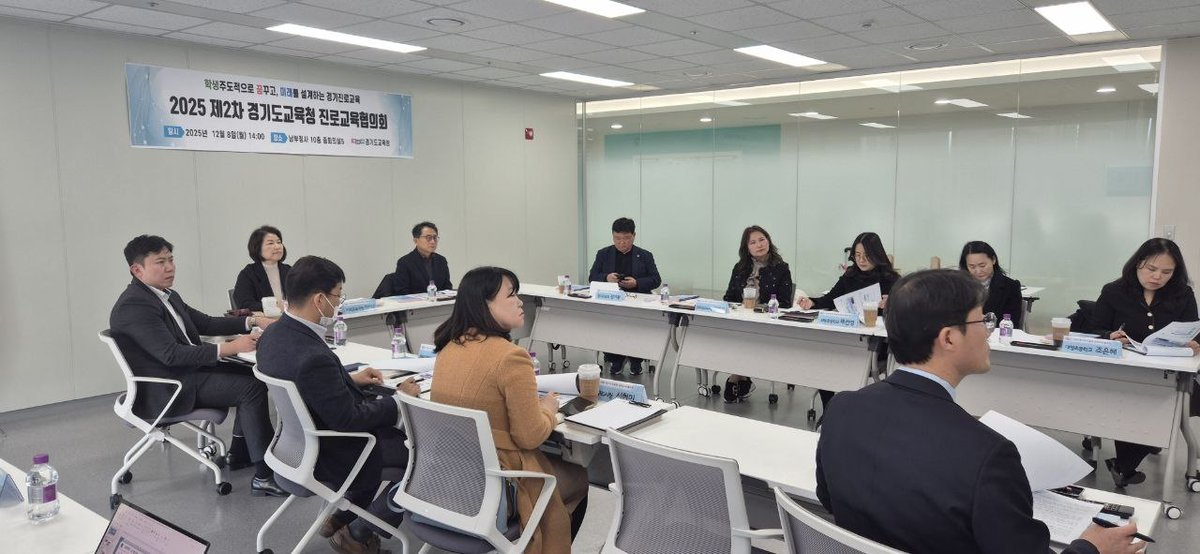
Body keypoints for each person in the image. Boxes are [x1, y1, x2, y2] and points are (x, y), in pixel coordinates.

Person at [816, 269, 1145, 554]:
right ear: (949, 338)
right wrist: (1092, 547)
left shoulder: (843, 408)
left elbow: (829, 499)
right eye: (982, 319)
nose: (989, 330)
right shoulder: (988, 454)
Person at [256, 255, 421, 554]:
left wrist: (349, 379)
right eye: (338, 296)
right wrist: (399, 401)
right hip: (333, 453)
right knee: (418, 456)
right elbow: (350, 419)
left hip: (293, 447)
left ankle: (342, 517)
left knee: (387, 431)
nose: (339, 303)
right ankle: (359, 532)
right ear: (319, 300)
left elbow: (303, 381)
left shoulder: (274, 335)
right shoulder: (313, 355)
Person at [108, 235, 284, 497]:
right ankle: (264, 476)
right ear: (137, 270)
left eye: (171, 260)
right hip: (168, 388)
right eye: (160, 262)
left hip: (186, 375)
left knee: (254, 374)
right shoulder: (134, 305)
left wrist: (253, 322)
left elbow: (206, 324)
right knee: (250, 388)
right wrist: (230, 348)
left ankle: (240, 453)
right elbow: (171, 355)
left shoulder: (165, 295)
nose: (170, 267)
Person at [430, 266, 588, 553]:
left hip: (448, 478)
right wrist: (548, 409)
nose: (520, 302)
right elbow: (529, 436)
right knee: (578, 478)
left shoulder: (449, 348)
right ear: (485, 305)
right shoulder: (511, 357)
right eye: (511, 295)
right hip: (497, 483)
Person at [1089, 238, 1199, 488]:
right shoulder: (1114, 291)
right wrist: (1109, 336)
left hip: (1170, 373)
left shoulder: (1183, 294)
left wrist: (1193, 342)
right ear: (1138, 263)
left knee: (1166, 403)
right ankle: (1126, 465)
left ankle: (1125, 465)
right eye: (1151, 269)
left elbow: (1194, 330)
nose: (1157, 277)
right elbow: (1095, 329)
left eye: (1167, 272)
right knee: (1134, 400)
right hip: (1125, 372)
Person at [798, 232, 900, 409]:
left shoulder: (891, 279)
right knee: (823, 362)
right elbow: (830, 299)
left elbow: (904, 313)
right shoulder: (850, 275)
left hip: (875, 344)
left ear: (877, 255)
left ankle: (852, 411)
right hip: (846, 338)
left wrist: (891, 304)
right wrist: (812, 302)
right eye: (857, 255)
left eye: (866, 256)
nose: (861, 260)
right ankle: (829, 410)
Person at [720, 225, 794, 402]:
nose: (759, 245)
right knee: (733, 335)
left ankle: (736, 376)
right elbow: (729, 297)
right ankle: (742, 377)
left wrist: (760, 308)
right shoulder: (740, 268)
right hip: (741, 320)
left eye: (762, 240)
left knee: (744, 337)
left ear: (768, 241)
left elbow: (784, 303)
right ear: (747, 248)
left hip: (766, 322)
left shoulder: (781, 268)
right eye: (753, 242)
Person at [587, 217, 661, 375]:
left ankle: (636, 360)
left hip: (637, 304)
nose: (622, 242)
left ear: (634, 236)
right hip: (611, 303)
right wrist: (606, 277)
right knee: (612, 329)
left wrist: (636, 283)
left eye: (626, 238)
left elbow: (656, 279)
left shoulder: (645, 255)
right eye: (617, 238)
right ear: (612, 236)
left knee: (636, 330)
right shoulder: (603, 254)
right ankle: (615, 359)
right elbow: (592, 277)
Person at [375, 221, 453, 297]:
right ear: (416, 240)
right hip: (415, 304)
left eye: (435, 238)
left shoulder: (441, 261)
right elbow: (402, 292)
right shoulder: (405, 262)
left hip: (439, 303)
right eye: (428, 238)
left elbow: (447, 288)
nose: (433, 241)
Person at [959, 240, 1023, 329]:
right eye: (972, 266)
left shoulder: (1010, 287)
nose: (978, 271)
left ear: (993, 260)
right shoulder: (959, 287)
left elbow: (1011, 323)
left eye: (982, 265)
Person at [232, 225, 291, 312]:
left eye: (279, 242)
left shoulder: (289, 271)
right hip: (264, 319)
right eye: (270, 243)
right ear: (258, 248)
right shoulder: (248, 274)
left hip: (289, 318)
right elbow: (245, 304)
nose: (277, 246)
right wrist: (274, 306)